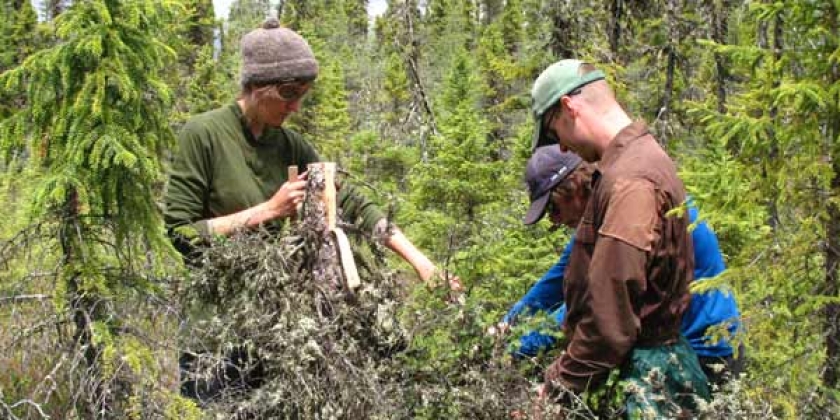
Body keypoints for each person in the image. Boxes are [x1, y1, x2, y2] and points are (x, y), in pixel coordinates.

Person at [164, 18, 457, 403]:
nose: (296, 105)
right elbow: (180, 233)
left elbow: (355, 204)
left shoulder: (291, 145)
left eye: (302, 94)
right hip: (212, 337)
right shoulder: (203, 135)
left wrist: (421, 263)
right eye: (287, 93)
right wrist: (266, 210)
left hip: (271, 332)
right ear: (255, 87)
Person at [529, 59, 710, 417]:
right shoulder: (623, 168)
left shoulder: (632, 182)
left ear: (569, 107)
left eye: (554, 133)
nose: (561, 148)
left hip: (649, 386)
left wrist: (555, 390)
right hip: (640, 374)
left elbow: (610, 323)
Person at [503, 146, 743, 387]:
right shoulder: (600, 213)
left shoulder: (628, 211)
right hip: (672, 349)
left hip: (704, 351)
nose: (554, 220)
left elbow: (599, 305)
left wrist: (517, 350)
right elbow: (555, 281)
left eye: (553, 208)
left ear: (574, 187)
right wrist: (505, 328)